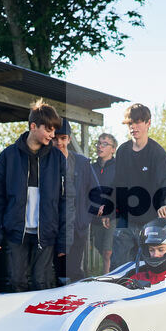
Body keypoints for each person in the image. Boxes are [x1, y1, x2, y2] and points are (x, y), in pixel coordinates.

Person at [0, 101, 67, 292]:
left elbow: (65, 201)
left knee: (42, 283)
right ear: (33, 126)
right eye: (49, 129)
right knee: (17, 283)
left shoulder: (57, 158)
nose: (52, 135)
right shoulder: (8, 156)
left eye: (54, 130)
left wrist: (63, 240)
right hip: (15, 233)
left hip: (46, 233)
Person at [103, 104, 166, 270]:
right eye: (130, 123)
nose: (133, 127)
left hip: (150, 220)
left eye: (137, 122)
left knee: (148, 268)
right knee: (118, 267)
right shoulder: (122, 151)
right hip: (125, 219)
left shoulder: (157, 152)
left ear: (148, 123)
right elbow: (118, 183)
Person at [54, 120, 102, 284]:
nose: (59, 142)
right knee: (55, 273)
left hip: (77, 226)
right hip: (54, 227)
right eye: (55, 138)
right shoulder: (45, 162)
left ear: (69, 139)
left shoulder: (82, 162)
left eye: (63, 138)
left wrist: (86, 217)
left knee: (74, 271)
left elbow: (95, 191)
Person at [90, 133, 117, 274]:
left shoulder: (119, 167)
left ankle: (107, 280)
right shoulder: (90, 167)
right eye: (99, 143)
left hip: (113, 216)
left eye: (105, 144)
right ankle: (112, 273)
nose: (100, 146)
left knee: (108, 252)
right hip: (95, 216)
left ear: (113, 149)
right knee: (100, 248)